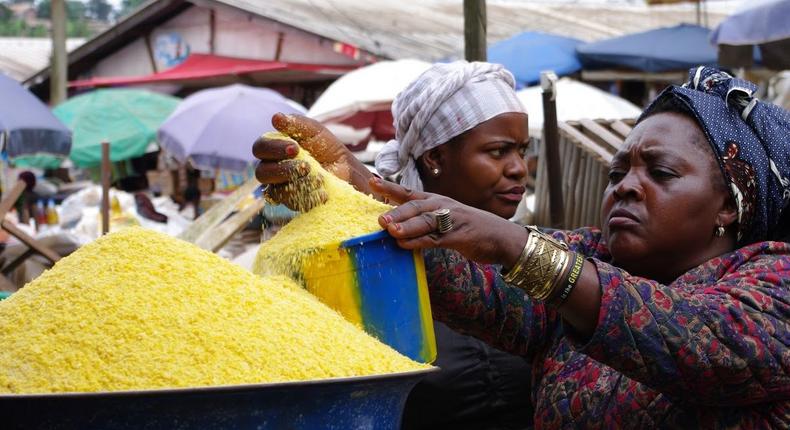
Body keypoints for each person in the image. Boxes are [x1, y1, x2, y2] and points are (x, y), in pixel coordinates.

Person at [255, 66, 790, 427]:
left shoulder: (774, 277)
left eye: (662, 172)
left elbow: (708, 343)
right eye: (618, 170)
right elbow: (456, 271)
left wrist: (511, 243)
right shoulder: (593, 260)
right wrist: (353, 189)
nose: (626, 185)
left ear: (731, 204)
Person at [255, 61, 534, 429]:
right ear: (435, 157)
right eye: (498, 152)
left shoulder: (536, 255)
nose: (519, 168)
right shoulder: (367, 260)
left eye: (522, 150)